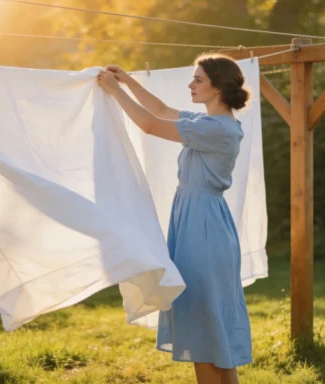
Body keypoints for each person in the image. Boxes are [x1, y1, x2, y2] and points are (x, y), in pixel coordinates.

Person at [97, 54, 252, 384]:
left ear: (218, 87)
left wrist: (114, 91)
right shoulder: (212, 123)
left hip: (203, 227)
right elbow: (163, 112)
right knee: (209, 321)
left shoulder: (215, 129)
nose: (190, 84)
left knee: (201, 320)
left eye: (198, 79)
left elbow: (150, 125)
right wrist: (127, 81)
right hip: (200, 220)